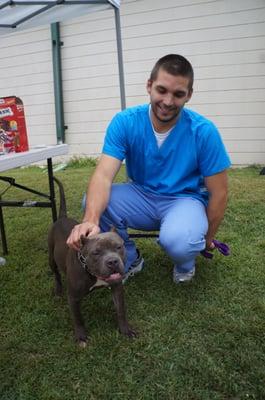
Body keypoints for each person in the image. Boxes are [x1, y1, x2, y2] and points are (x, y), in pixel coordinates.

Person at [67, 54, 231, 284]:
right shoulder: (125, 122)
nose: (168, 101)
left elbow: (219, 192)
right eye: (161, 90)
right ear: (149, 86)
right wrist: (90, 219)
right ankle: (130, 259)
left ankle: (185, 264)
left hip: (184, 200)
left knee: (180, 240)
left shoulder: (204, 131)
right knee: (92, 202)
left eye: (178, 94)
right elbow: (103, 175)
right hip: (141, 195)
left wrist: (208, 237)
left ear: (189, 95)